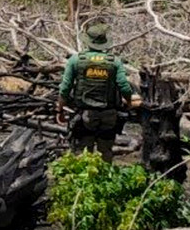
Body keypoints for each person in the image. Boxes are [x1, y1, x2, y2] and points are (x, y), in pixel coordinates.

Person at [57, 23, 137, 162]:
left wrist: (60, 109)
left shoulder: (76, 60)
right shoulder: (114, 62)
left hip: (84, 115)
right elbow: (124, 86)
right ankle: (104, 178)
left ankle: (83, 181)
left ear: (87, 41)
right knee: (105, 152)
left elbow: (65, 88)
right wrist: (129, 102)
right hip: (109, 114)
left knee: (82, 154)